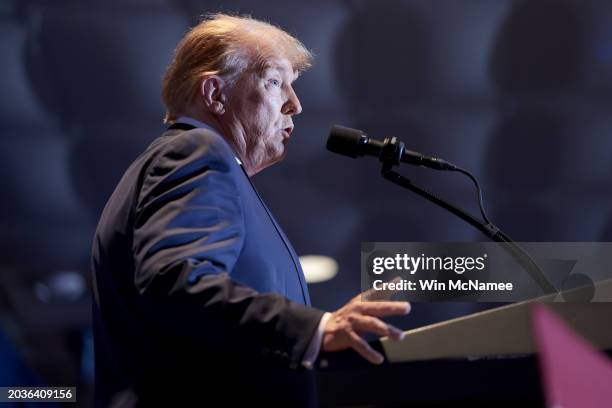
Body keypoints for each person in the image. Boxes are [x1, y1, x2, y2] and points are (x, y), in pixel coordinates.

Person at [91, 13, 410, 407]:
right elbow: (177, 282)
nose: (295, 104)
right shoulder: (195, 151)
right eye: (275, 82)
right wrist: (314, 330)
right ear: (214, 94)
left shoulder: (199, 166)